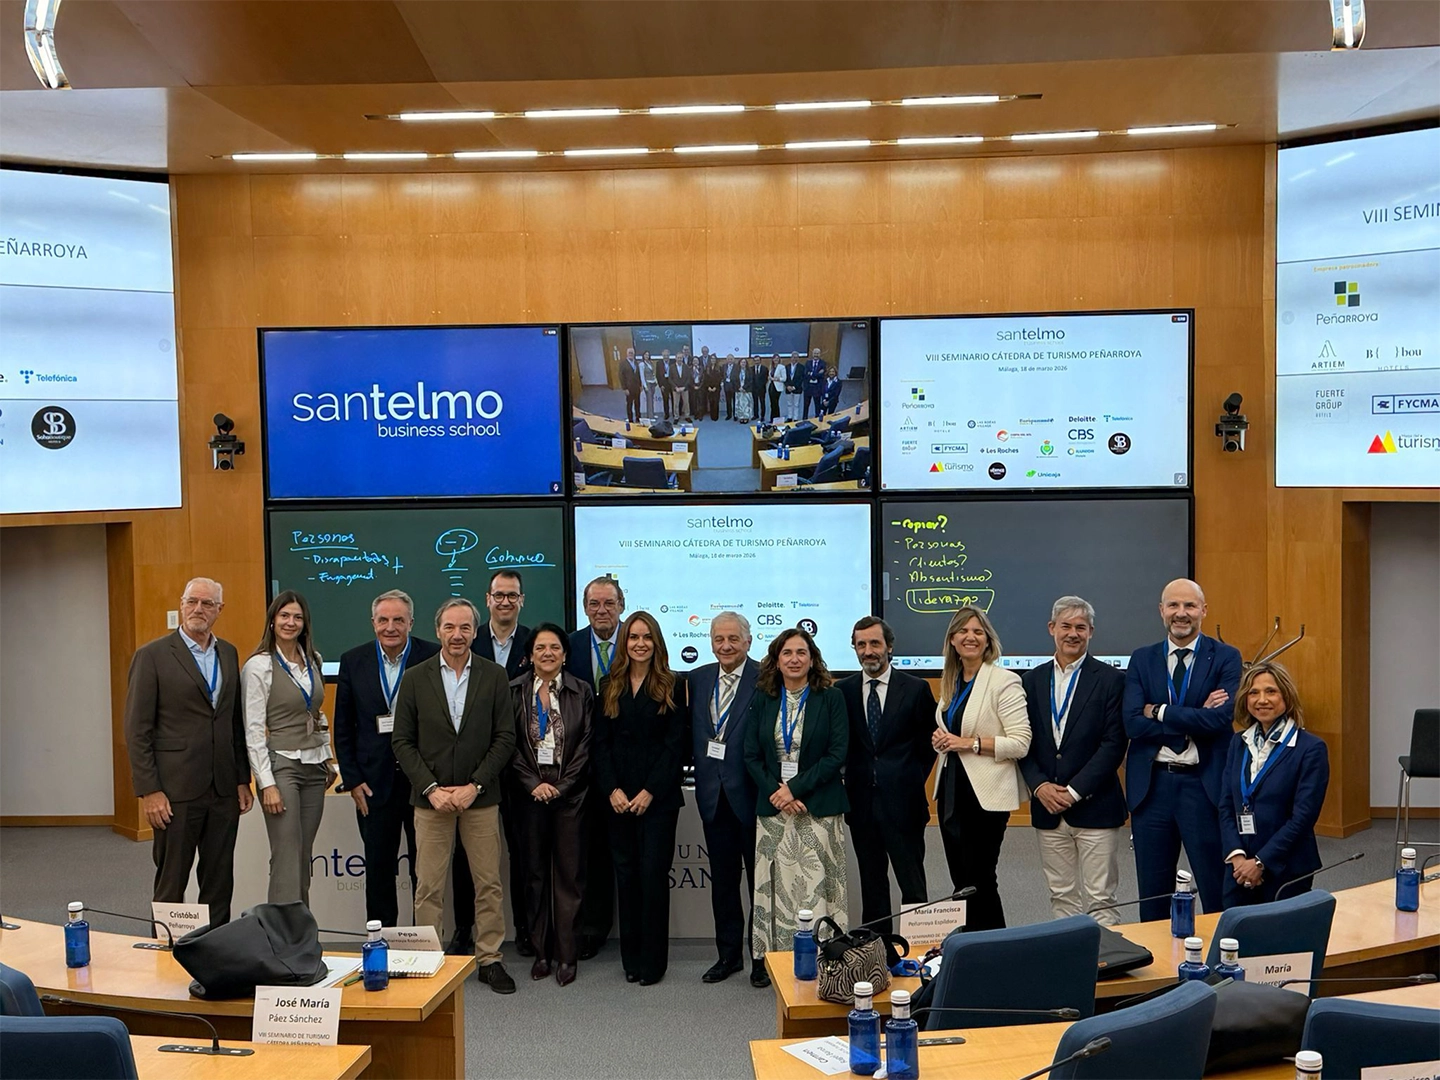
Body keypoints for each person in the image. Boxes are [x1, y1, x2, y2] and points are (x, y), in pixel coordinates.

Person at [392, 598, 518, 995]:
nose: (457, 635)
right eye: (450, 627)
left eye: (465, 628)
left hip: (479, 799)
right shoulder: (415, 678)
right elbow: (402, 741)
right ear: (437, 631)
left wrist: (474, 786)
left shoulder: (494, 676)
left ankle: (490, 959)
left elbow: (505, 738)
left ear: (474, 633)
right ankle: (427, 961)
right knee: (428, 886)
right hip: (431, 801)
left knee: (488, 884)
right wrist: (431, 789)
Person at [124, 577, 252, 928]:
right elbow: (137, 730)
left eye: (207, 603)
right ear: (181, 605)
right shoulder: (152, 656)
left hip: (223, 789)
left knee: (219, 880)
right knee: (172, 880)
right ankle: (164, 951)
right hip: (174, 791)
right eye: (192, 601)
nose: (198, 609)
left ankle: (215, 949)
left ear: (219, 610)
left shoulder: (228, 653)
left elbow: (233, 723)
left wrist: (242, 779)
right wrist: (149, 790)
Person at [1123, 578, 1242, 922]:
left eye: (1190, 605)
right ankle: (1155, 957)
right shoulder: (1142, 659)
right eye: (1173, 605)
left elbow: (1220, 719)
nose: (1181, 613)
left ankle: (1221, 952)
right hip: (1153, 788)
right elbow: (1132, 723)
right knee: (1153, 893)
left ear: (1203, 611)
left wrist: (1159, 711)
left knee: (1215, 887)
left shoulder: (1226, 657)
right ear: (1161, 611)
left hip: (1203, 786)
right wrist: (1195, 715)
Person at [1018, 597, 1128, 925]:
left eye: (1081, 627)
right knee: (1061, 894)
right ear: (1051, 628)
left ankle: (1108, 956)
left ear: (1091, 632)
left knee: (1101, 898)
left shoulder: (1111, 680)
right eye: (1065, 626)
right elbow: (1023, 742)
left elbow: (1113, 745)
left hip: (1096, 806)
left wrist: (1074, 791)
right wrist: (1039, 786)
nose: (1073, 633)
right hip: (1047, 807)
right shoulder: (1030, 680)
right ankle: (1067, 954)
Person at [334, 589, 440, 928]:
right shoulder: (353, 660)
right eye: (383, 620)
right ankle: (382, 940)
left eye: (398, 620)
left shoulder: (431, 655)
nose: (390, 627)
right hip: (372, 783)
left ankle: (422, 939)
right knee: (379, 868)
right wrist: (352, 780)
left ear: (411, 622)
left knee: (424, 869)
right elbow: (343, 727)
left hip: (422, 782)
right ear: (373, 623)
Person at [592, 612, 688, 985]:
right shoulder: (609, 684)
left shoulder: (673, 684)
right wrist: (612, 790)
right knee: (627, 877)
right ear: (624, 642)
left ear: (656, 642)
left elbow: (675, 747)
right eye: (633, 637)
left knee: (652, 877)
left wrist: (650, 791)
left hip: (658, 800)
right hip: (617, 800)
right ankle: (630, 960)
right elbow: (600, 744)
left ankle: (653, 963)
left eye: (647, 637)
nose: (640, 643)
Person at [744, 627, 849, 965]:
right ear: (776, 660)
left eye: (801, 652)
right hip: (774, 810)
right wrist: (778, 792)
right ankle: (774, 961)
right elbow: (751, 755)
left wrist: (795, 789)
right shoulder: (764, 698)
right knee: (775, 888)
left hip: (818, 808)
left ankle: (824, 958)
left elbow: (836, 753)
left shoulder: (831, 697)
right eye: (786, 653)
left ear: (812, 659)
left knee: (815, 887)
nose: (794, 659)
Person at [837, 617, 937, 951]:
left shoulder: (916, 688)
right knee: (872, 883)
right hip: (861, 805)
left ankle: (920, 952)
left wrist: (907, 778)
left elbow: (928, 746)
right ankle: (877, 952)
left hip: (904, 804)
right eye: (861, 645)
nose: (868, 651)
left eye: (875, 643)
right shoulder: (843, 691)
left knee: (912, 883)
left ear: (889, 647)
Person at [930, 606, 1030, 931]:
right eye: (963, 631)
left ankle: (995, 950)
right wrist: (942, 739)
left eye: (977, 631)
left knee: (980, 879)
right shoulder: (952, 682)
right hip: (951, 790)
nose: (970, 637)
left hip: (985, 796)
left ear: (988, 640)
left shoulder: (1004, 681)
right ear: (952, 640)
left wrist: (969, 743)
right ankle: (970, 947)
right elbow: (954, 731)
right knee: (961, 880)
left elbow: (1020, 743)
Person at [508, 623, 595, 986]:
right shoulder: (513, 690)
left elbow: (586, 744)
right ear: (530, 655)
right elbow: (508, 743)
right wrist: (534, 784)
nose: (548, 653)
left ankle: (567, 954)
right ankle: (541, 952)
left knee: (569, 877)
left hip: (570, 797)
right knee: (534, 875)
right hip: (528, 797)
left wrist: (561, 786)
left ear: (564, 654)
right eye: (540, 648)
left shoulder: (581, 690)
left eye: (555, 647)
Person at [687, 613, 768, 988]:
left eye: (734, 638)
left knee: (759, 885)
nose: (726, 646)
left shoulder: (765, 677)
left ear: (748, 641)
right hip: (712, 795)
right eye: (719, 639)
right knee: (722, 883)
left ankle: (761, 958)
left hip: (751, 795)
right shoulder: (698, 678)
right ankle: (728, 956)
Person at [241, 590, 335, 907]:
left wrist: (327, 758)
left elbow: (317, 715)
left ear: (305, 623)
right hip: (282, 767)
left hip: (314, 767)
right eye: (284, 616)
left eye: (297, 617)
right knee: (286, 855)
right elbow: (254, 729)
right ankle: (281, 931)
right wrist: (266, 784)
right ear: (272, 621)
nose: (290, 622)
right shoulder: (259, 666)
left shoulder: (313, 660)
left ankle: (299, 927)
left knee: (303, 855)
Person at [1218, 662, 1329, 907]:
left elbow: (1303, 817)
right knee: (1233, 930)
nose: (1262, 700)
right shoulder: (1238, 743)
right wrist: (1237, 857)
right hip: (1238, 869)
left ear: (1286, 697)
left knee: (1280, 932)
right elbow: (1226, 804)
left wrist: (1260, 862)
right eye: (1253, 692)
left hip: (1286, 868)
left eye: (1271, 691)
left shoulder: (1310, 748)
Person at [464, 569, 533, 956]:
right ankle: (464, 929)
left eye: (512, 595)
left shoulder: (534, 642)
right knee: (467, 856)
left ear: (521, 600)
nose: (505, 601)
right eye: (499, 595)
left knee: (522, 852)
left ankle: (525, 928)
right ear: (487, 599)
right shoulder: (469, 640)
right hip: (476, 766)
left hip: (523, 765)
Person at [566, 576, 625, 959]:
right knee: (587, 854)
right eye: (594, 604)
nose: (601, 610)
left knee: (622, 854)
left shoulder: (638, 641)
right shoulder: (569, 645)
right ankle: (590, 929)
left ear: (621, 605)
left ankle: (630, 932)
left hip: (625, 770)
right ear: (585, 607)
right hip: (579, 767)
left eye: (608, 603)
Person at [803, 348, 827, 419]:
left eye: (817, 353)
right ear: (812, 354)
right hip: (808, 387)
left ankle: (817, 419)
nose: (816, 355)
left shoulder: (823, 363)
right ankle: (804, 419)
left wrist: (811, 374)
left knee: (817, 405)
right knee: (806, 405)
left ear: (820, 354)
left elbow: (822, 375)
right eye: (815, 353)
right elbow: (805, 374)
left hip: (817, 388)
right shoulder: (808, 363)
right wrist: (816, 374)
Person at [619, 347, 641, 424]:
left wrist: (640, 385)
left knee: (637, 404)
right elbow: (621, 377)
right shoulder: (623, 363)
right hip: (629, 388)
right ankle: (630, 420)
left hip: (637, 387)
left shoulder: (636, 363)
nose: (631, 354)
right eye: (629, 353)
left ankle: (638, 418)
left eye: (632, 353)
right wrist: (624, 388)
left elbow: (639, 375)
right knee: (629, 405)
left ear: (634, 354)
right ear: (627, 354)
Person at [704, 353, 725, 421]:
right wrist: (708, 387)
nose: (713, 360)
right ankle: (711, 415)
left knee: (716, 402)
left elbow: (720, 378)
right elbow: (705, 378)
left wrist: (715, 387)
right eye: (712, 359)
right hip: (709, 388)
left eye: (714, 359)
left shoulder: (719, 368)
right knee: (711, 402)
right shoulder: (707, 368)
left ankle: (715, 416)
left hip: (716, 388)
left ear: (716, 360)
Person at [783, 354, 803, 421]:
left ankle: (795, 418)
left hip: (797, 389)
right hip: (788, 389)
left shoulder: (801, 367)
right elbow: (784, 378)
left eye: (796, 357)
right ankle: (790, 417)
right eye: (793, 357)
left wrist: (794, 387)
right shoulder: (786, 367)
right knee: (789, 404)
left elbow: (801, 379)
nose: (794, 359)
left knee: (796, 404)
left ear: (798, 358)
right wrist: (787, 386)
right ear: (791, 358)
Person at [749, 357, 770, 423]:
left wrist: (761, 385)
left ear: (760, 360)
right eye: (755, 360)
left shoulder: (765, 368)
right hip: (754, 389)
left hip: (762, 388)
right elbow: (750, 379)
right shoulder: (751, 369)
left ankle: (762, 416)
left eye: (758, 360)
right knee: (755, 402)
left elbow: (766, 379)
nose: (756, 362)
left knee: (762, 402)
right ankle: (756, 415)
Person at [657, 350, 675, 420]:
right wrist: (660, 385)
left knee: (674, 400)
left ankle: (674, 413)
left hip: (672, 384)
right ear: (662, 356)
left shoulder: (673, 362)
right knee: (665, 400)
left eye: (667, 355)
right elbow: (658, 375)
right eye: (664, 356)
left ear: (669, 355)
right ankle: (666, 414)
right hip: (664, 384)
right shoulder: (659, 363)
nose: (666, 357)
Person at [734, 358, 754, 423]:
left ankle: (746, 417)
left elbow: (751, 380)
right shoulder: (736, 371)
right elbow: (734, 380)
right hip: (739, 390)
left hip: (747, 390)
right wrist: (739, 387)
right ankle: (741, 417)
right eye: (742, 362)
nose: (743, 363)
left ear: (746, 363)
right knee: (739, 404)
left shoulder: (749, 371)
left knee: (746, 404)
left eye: (744, 362)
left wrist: (744, 388)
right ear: (739, 363)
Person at [639, 351, 658, 418]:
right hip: (647, 383)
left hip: (653, 383)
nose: (647, 356)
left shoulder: (651, 363)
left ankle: (652, 413)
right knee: (649, 400)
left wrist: (655, 380)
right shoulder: (642, 364)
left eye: (648, 355)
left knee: (652, 399)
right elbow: (642, 376)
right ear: (643, 356)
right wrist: (645, 386)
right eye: (645, 355)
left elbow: (653, 373)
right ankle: (650, 416)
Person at [768, 358, 786, 423]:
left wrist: (776, 379)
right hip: (771, 386)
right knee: (772, 404)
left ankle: (777, 419)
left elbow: (784, 378)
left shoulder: (782, 367)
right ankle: (772, 419)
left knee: (775, 403)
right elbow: (770, 376)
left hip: (777, 387)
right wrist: (770, 378)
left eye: (777, 359)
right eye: (774, 359)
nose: (776, 360)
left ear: (779, 359)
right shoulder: (771, 367)